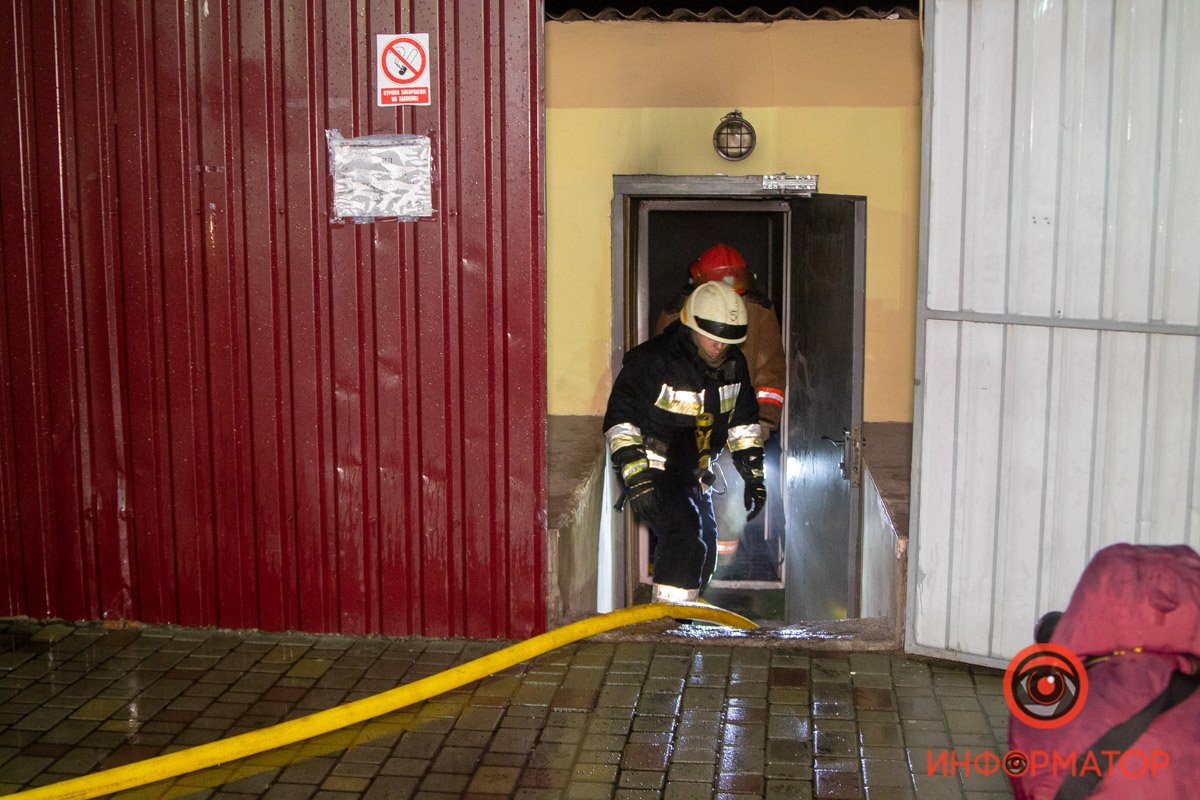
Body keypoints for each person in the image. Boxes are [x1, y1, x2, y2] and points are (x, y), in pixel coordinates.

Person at [603, 281, 767, 603]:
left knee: (706, 549)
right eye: (712, 336)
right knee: (684, 538)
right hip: (653, 470)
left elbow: (744, 425)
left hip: (693, 474)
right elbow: (620, 419)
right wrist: (637, 479)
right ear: (691, 325)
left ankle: (685, 612)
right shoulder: (654, 361)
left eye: (727, 339)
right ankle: (668, 623)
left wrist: (754, 478)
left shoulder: (734, 367)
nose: (719, 346)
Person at [655, 243, 786, 562]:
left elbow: (769, 372)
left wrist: (763, 421)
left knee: (727, 507)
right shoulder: (676, 314)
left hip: (730, 429)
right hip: (693, 432)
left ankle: (722, 569)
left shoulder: (757, 312)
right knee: (691, 509)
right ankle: (697, 567)